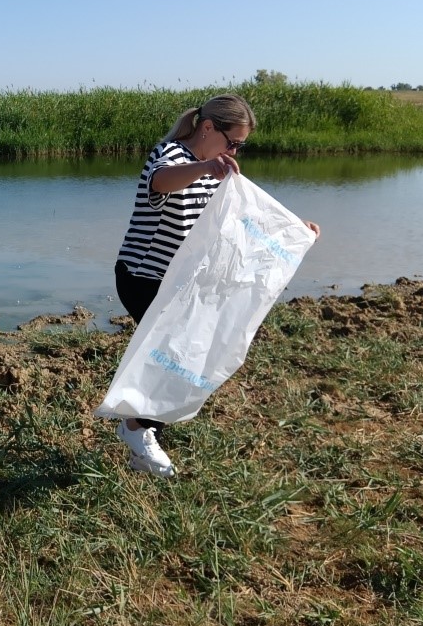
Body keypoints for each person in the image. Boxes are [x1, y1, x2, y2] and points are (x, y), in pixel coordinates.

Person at [112, 93, 320, 477]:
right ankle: (136, 429)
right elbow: (161, 182)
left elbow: (245, 217)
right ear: (208, 128)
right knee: (176, 355)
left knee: (188, 353)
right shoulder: (172, 156)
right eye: (234, 142)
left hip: (179, 282)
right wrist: (205, 166)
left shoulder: (215, 171)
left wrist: (295, 231)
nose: (236, 150)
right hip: (143, 277)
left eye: (241, 145)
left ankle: (142, 434)